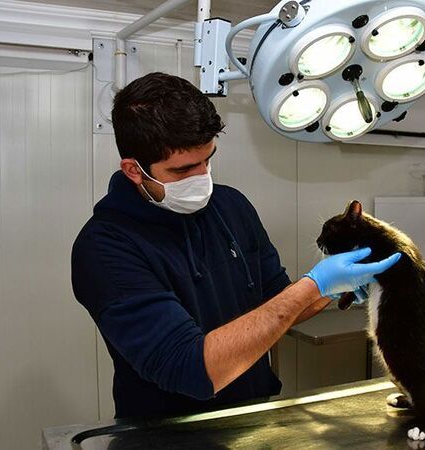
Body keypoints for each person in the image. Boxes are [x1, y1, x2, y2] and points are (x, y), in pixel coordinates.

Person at [71, 72, 400, 419]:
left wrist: (331, 290)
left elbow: (277, 304)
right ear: (134, 171)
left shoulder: (231, 207)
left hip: (254, 415)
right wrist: (312, 286)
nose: (201, 178)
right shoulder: (105, 247)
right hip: (166, 434)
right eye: (183, 170)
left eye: (207, 160)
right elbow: (192, 370)